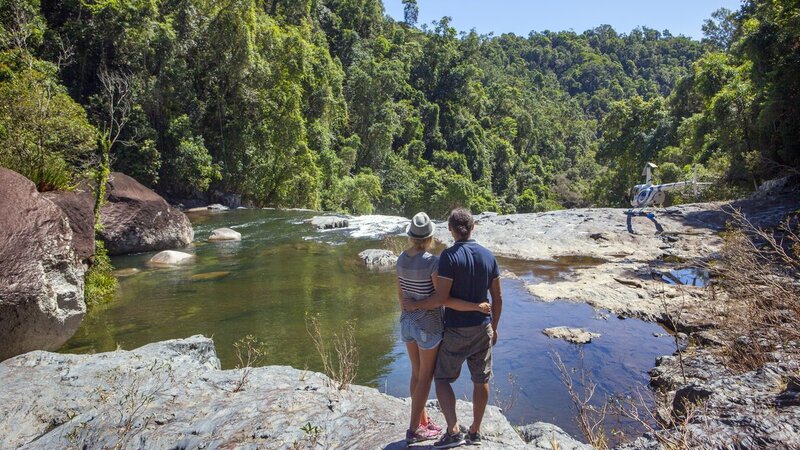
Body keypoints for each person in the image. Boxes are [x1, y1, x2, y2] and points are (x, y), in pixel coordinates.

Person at [404, 208, 502, 448]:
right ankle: (475, 431)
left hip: (456, 329)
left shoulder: (448, 256)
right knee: (481, 379)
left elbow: (442, 298)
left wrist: (416, 305)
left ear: (450, 229)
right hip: (483, 328)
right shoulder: (489, 256)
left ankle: (454, 430)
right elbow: (497, 299)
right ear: (473, 226)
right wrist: (495, 327)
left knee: (442, 379)